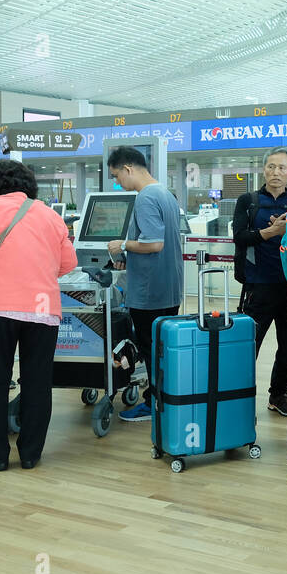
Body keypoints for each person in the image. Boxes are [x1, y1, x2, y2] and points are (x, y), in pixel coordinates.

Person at [0, 160, 76, 471]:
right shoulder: (49, 215)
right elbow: (69, 262)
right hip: (41, 308)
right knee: (37, 382)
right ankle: (30, 454)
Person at [105, 145, 184, 422]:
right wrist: (129, 256)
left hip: (150, 291)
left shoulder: (145, 198)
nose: (117, 183)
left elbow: (154, 243)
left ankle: (154, 403)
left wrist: (122, 244)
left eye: (116, 176)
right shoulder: (165, 193)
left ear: (128, 169)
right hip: (168, 287)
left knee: (152, 351)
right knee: (162, 350)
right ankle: (164, 398)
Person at [232, 148, 287, 416]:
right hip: (258, 286)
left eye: (282, 168)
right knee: (250, 344)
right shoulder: (248, 201)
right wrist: (271, 231)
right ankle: (239, 395)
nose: (276, 172)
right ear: (264, 170)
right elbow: (239, 237)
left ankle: (278, 394)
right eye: (271, 167)